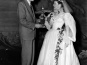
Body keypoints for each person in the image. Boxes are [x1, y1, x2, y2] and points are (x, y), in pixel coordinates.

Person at [37, 0, 80, 65]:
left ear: (60, 5)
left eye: (55, 3)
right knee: (49, 53)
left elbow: (68, 25)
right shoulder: (52, 14)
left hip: (61, 36)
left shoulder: (65, 15)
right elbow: (49, 27)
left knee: (60, 55)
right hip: (50, 36)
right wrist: (44, 20)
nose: (53, 5)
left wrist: (67, 37)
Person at [17, 0, 42, 65]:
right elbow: (22, 20)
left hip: (31, 34)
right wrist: (35, 25)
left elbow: (31, 19)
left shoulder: (30, 4)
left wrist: (38, 20)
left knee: (31, 57)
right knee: (27, 58)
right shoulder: (21, 4)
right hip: (26, 34)